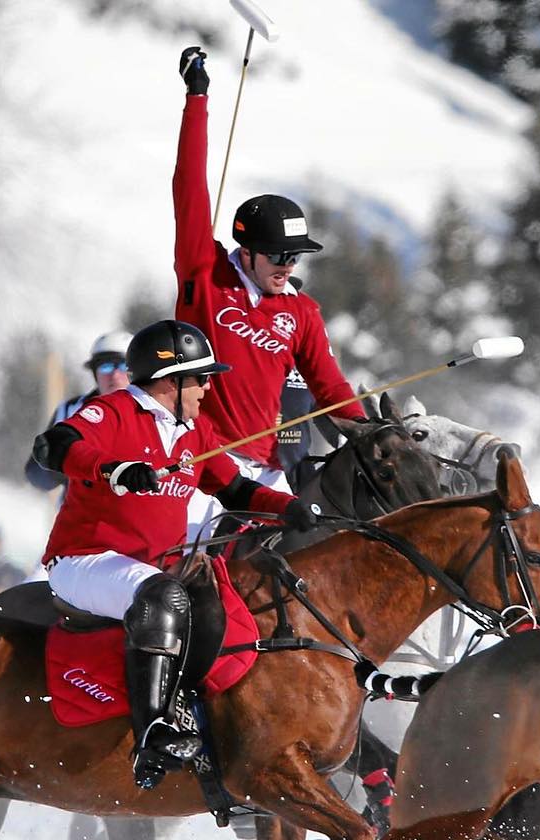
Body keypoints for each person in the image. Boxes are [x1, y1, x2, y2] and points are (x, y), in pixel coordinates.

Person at [32, 319, 315, 790]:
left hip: (148, 566)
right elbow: (53, 446)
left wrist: (289, 507)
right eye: (201, 378)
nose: (208, 388)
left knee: (212, 599)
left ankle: (203, 721)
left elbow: (235, 488)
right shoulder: (114, 410)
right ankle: (153, 735)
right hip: (84, 560)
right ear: (170, 380)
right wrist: (113, 468)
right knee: (164, 596)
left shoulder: (194, 432)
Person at [172, 45, 367, 504]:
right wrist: (196, 100)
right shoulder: (205, 272)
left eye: (295, 256)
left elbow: (329, 386)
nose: (288, 266)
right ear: (247, 251)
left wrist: (366, 430)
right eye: (279, 255)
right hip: (199, 462)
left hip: (266, 472)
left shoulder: (302, 312)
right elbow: (189, 186)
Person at [25, 331, 133, 492]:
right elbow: (36, 476)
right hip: (80, 506)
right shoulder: (70, 411)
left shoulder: (156, 412)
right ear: (94, 372)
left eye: (124, 366)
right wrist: (63, 460)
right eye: (106, 366)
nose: (115, 375)